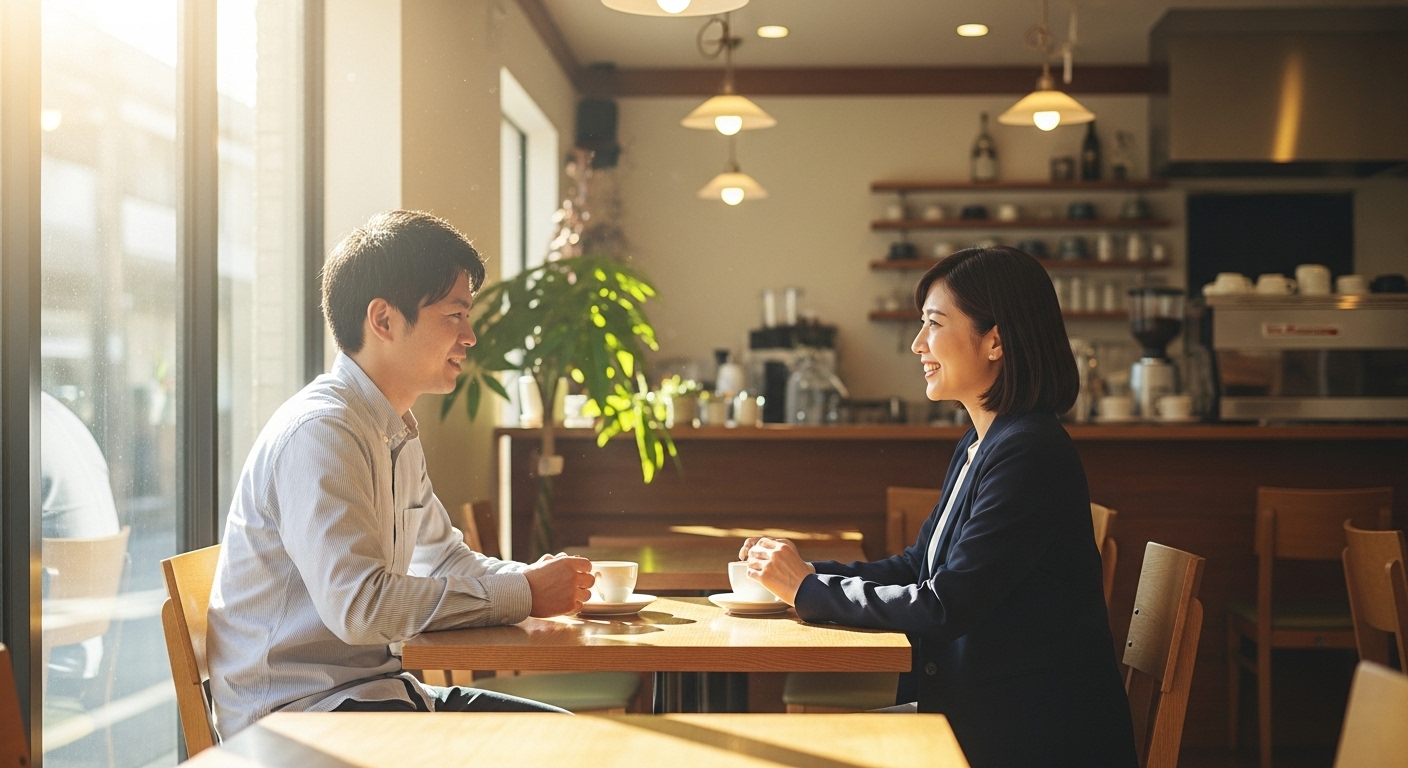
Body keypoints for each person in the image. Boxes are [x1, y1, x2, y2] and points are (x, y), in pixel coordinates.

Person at [742, 246, 1138, 767]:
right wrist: (806, 575)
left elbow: (946, 604)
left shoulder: (1029, 450)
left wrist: (808, 590)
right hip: (987, 717)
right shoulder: (986, 440)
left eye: (934, 324)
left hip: (1024, 738)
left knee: (789, 756)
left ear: (995, 340)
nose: (917, 344)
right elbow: (918, 567)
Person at [207, 210, 594, 737]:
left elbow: (444, 559)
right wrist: (524, 594)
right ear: (384, 320)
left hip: (376, 695)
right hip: (300, 719)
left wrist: (529, 579)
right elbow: (360, 608)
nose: (471, 336)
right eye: (454, 315)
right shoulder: (323, 432)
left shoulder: (392, 430)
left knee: (574, 740)